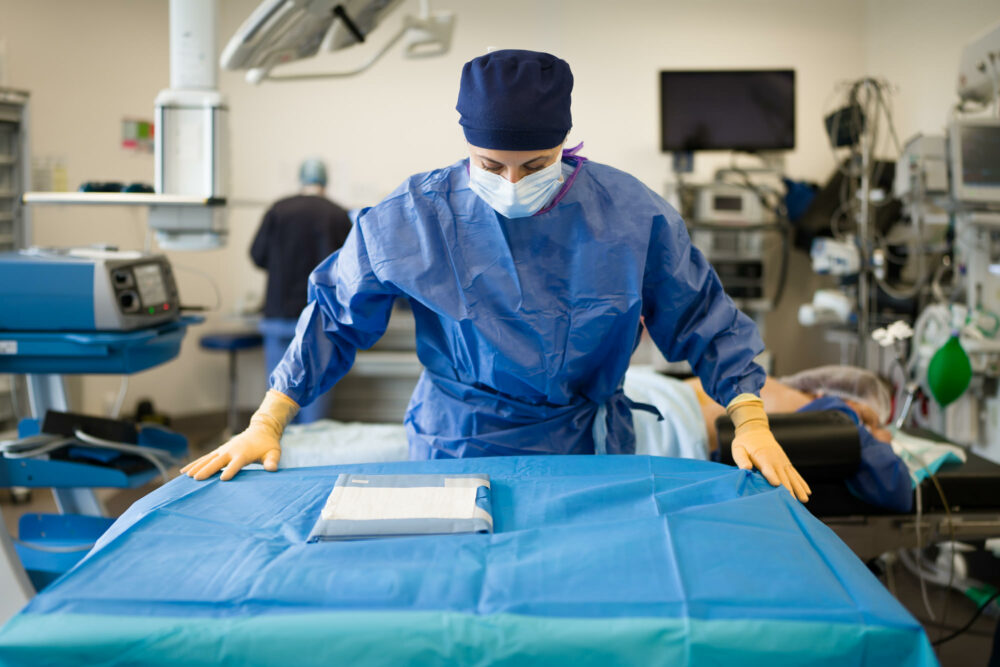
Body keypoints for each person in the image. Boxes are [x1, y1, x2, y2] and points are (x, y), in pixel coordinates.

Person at [183, 49, 811, 503]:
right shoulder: (418, 214)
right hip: (457, 442)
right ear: (466, 146)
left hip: (585, 448)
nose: (512, 184)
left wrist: (748, 414)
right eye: (491, 164)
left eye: (534, 164)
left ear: (565, 143)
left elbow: (699, 313)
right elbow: (336, 314)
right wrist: (269, 418)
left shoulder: (628, 213)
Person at [249, 158, 353, 423]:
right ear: (325, 180)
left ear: (301, 179)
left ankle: (278, 451)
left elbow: (257, 255)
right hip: (319, 316)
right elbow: (353, 267)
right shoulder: (338, 214)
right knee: (315, 388)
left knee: (278, 393)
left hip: (278, 314)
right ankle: (312, 453)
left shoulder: (278, 210)